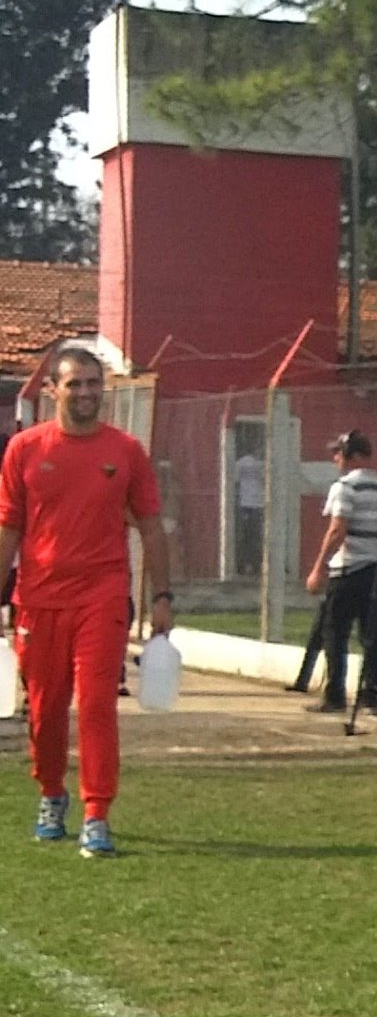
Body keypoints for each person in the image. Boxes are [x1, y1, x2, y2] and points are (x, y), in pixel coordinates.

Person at [0, 347, 174, 858]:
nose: (85, 393)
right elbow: (8, 528)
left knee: (97, 704)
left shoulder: (125, 450)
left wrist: (162, 596)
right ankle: (51, 794)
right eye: (74, 384)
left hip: (102, 595)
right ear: (52, 390)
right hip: (39, 598)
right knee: (45, 710)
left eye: (94, 383)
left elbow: (151, 526)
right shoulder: (25, 449)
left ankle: (97, 813)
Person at [302, 430, 377, 713]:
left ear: (354, 455)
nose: (336, 459)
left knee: (335, 632)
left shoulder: (345, 487)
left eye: (339, 453)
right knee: (372, 634)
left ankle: (335, 695)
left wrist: (319, 567)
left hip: (349, 568)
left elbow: (337, 529)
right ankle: (370, 693)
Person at [233, 450, 264, 576]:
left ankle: (248, 565)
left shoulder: (240, 463)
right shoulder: (261, 464)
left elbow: (235, 482)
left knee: (248, 536)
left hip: (246, 504)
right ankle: (254, 565)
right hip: (257, 504)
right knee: (256, 536)